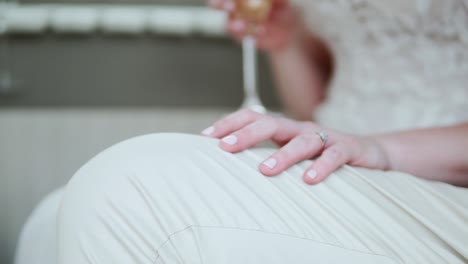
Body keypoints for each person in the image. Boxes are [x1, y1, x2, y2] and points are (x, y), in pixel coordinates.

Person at [16, 0, 468, 263]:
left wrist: (381, 148)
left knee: (124, 184)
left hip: (444, 182)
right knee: (53, 214)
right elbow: (315, 107)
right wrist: (286, 41)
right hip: (341, 156)